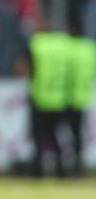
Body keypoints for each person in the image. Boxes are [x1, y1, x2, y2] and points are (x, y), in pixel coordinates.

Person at [26, 17, 70, 177]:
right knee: (55, 134)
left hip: (40, 96)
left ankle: (37, 170)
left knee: (39, 136)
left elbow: (27, 67)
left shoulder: (37, 44)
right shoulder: (63, 44)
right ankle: (62, 170)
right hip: (59, 97)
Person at [64, 21, 95, 176]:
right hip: (82, 96)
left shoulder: (67, 48)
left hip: (64, 96)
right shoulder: (90, 48)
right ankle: (78, 165)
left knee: (63, 133)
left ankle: (65, 166)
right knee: (78, 134)